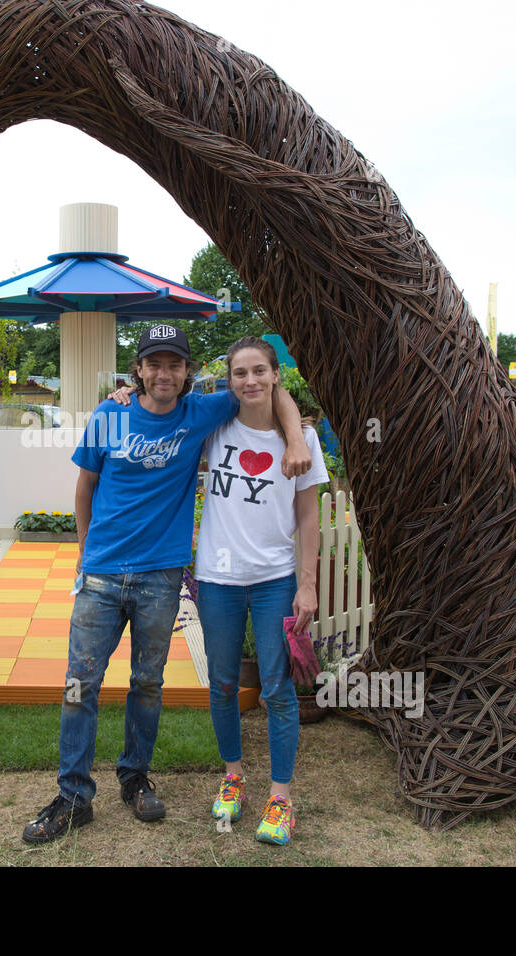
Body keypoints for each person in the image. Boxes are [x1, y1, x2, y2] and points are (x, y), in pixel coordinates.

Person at [21, 324, 312, 844]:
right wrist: (86, 555)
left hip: (161, 575)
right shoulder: (111, 415)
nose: (163, 373)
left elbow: (269, 388)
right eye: (153, 363)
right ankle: (72, 796)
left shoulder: (201, 412)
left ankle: (135, 779)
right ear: (138, 370)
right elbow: (84, 488)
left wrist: (294, 436)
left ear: (187, 373)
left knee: (147, 684)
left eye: (174, 364)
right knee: (79, 684)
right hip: (103, 574)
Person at [194, 336, 328, 845]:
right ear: (229, 381)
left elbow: (310, 516)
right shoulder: (215, 429)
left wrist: (308, 585)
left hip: (275, 579)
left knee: (277, 689)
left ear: (276, 375)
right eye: (238, 373)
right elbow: (166, 407)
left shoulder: (304, 442)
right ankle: (233, 778)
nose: (249, 381)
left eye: (258, 371)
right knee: (224, 684)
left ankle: (280, 796)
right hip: (217, 578)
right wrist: (123, 395)